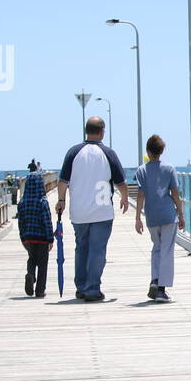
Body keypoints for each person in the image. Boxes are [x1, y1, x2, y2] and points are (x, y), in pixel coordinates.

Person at [56, 117, 128, 301]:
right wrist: (125, 199)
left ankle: (81, 287)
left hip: (79, 212)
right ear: (102, 131)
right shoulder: (108, 153)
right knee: (97, 250)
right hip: (102, 211)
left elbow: (63, 181)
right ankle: (92, 288)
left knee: (81, 248)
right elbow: (120, 181)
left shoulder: (73, 152)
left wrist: (61, 200)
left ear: (86, 130)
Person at [134, 135, 186, 302]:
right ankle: (161, 289)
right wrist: (181, 213)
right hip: (168, 214)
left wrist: (137, 217)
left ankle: (155, 280)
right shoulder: (169, 168)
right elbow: (175, 193)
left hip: (151, 215)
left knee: (157, 248)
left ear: (148, 151)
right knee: (167, 250)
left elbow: (140, 195)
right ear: (162, 151)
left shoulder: (141, 170)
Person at [16, 165, 53, 298]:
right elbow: (47, 221)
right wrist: (50, 239)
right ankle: (40, 290)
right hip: (42, 237)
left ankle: (30, 274)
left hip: (28, 237)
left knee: (32, 259)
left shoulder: (22, 202)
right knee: (43, 264)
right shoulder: (42, 201)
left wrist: (22, 237)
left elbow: (20, 222)